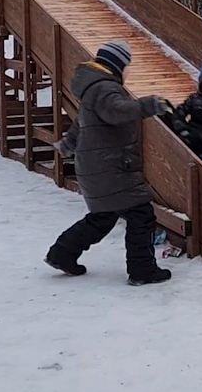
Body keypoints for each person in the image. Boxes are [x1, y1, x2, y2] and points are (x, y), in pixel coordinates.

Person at [45, 40, 174, 286]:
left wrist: (68, 145)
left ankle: (62, 253)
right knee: (141, 213)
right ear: (117, 65)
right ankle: (142, 270)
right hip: (111, 165)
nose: (128, 71)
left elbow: (82, 125)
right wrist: (150, 105)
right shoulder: (106, 89)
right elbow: (117, 112)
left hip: (95, 166)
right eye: (127, 66)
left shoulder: (93, 89)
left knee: (103, 215)